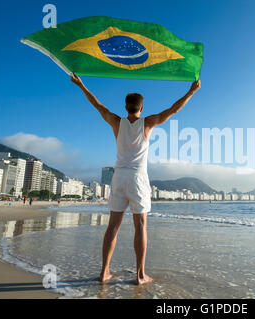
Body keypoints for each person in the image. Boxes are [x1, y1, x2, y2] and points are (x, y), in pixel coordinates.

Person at [71, 73, 201, 284]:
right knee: (141, 225)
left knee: (113, 226)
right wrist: (191, 91)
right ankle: (140, 275)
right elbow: (173, 109)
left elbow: (98, 105)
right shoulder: (148, 123)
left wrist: (81, 85)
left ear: (125, 107)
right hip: (138, 178)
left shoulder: (116, 121)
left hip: (119, 177)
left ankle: (104, 272)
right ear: (141, 108)